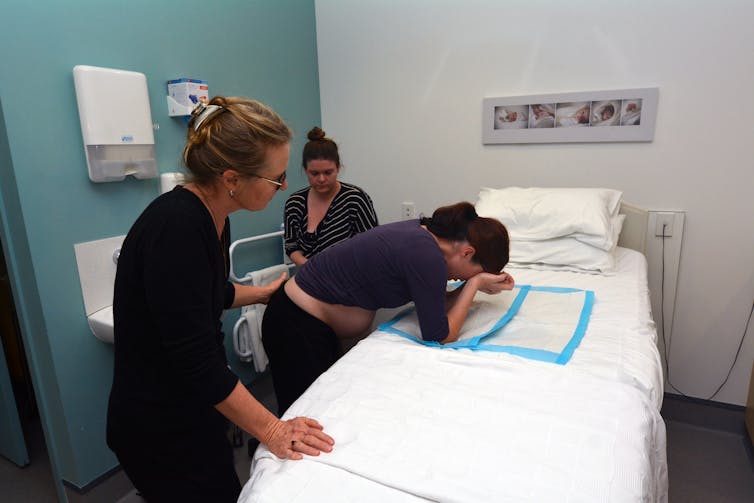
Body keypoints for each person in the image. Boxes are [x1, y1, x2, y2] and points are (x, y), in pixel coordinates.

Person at [106, 97, 334, 503]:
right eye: (275, 178)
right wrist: (274, 429)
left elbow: (210, 292)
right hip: (156, 422)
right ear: (232, 177)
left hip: (191, 406)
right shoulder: (176, 226)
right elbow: (194, 359)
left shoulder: (215, 215)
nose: (283, 188)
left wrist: (265, 294)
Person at [263, 201, 514, 413]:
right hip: (294, 324)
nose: (461, 279)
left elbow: (435, 301)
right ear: (468, 252)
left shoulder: (425, 237)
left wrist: (473, 282)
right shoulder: (427, 256)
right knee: (302, 418)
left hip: (306, 321)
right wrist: (474, 284)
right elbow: (440, 335)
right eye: (471, 273)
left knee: (322, 410)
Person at [284, 127, 378, 266]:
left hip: (348, 280)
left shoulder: (355, 199)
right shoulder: (294, 203)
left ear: (338, 168)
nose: (321, 179)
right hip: (309, 278)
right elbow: (291, 246)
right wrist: (311, 268)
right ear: (305, 170)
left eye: (328, 172)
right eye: (314, 173)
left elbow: (371, 246)